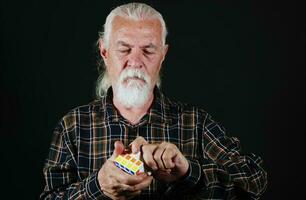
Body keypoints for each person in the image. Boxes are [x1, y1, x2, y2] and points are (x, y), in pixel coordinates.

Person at [40, 3, 267, 200]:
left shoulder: (195, 122)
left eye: (148, 50)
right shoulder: (73, 126)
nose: (135, 62)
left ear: (163, 55)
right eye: (124, 49)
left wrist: (187, 172)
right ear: (104, 52)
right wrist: (97, 186)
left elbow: (254, 183)